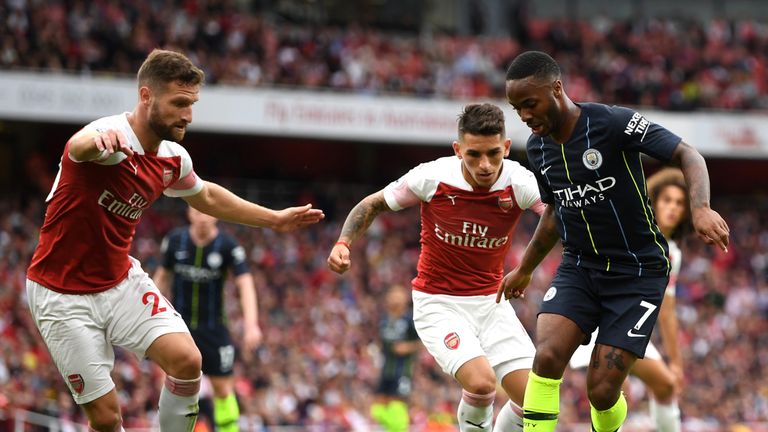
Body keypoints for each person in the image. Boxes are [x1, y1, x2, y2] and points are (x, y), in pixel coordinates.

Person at [25, 49, 324, 432]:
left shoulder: (172, 159)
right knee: (105, 419)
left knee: (187, 360)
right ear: (146, 96)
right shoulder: (109, 139)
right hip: (60, 295)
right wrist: (100, 140)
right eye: (179, 103)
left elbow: (209, 197)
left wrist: (275, 220)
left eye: (192, 104)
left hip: (117, 281)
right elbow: (78, 147)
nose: (188, 115)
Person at [498, 51, 729, 432]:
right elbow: (556, 211)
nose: (523, 115)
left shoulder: (611, 122)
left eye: (529, 103)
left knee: (601, 391)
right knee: (548, 356)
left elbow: (687, 153)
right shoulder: (539, 149)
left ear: (556, 88)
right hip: (580, 267)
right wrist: (525, 268)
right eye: (516, 107)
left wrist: (700, 207)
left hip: (637, 272)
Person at [328, 103, 545, 432]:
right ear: (458, 150)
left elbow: (559, 217)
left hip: (492, 304)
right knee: (483, 383)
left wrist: (529, 267)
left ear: (506, 148)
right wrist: (343, 243)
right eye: (473, 155)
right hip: (438, 304)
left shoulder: (519, 182)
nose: (484, 165)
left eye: (493, 154)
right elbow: (372, 203)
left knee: (535, 402)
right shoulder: (432, 177)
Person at [568, 168, 688, 431]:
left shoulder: (672, 253)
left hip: (630, 327)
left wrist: (677, 362)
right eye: (667, 200)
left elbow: (666, 311)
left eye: (680, 203)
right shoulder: (631, 229)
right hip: (602, 320)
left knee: (665, 385)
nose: (673, 208)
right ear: (653, 200)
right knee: (611, 390)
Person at [153, 207, 262, 432]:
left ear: (216, 214)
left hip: (214, 330)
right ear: (189, 214)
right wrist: (146, 315)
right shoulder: (174, 241)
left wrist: (251, 324)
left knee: (223, 389)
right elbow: (161, 279)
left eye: (207, 212)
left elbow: (245, 283)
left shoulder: (228, 246)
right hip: (178, 328)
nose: (202, 217)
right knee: (174, 387)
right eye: (197, 211)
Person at [369, 285, 421, 432]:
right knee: (378, 406)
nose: (394, 298)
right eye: (392, 294)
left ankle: (400, 428)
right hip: (386, 368)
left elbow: (422, 342)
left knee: (396, 404)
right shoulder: (384, 320)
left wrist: (407, 347)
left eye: (398, 294)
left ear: (405, 299)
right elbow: (382, 342)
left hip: (403, 369)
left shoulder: (410, 319)